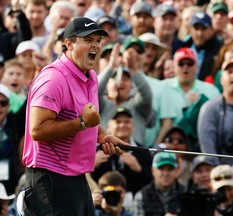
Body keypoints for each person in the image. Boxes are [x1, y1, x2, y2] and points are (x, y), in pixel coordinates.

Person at [22, 17, 128, 216]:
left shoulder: (91, 76)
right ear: (69, 44)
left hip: (77, 178)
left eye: (98, 40)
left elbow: (86, 119)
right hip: (50, 179)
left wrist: (102, 136)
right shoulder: (53, 78)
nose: (95, 45)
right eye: (88, 40)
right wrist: (81, 123)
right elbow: (37, 130)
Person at [91, 107, 153, 195]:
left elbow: (151, 182)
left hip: (135, 202)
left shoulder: (143, 151)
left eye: (126, 122)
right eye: (118, 122)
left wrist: (139, 169)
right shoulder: (97, 150)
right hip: (102, 201)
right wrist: (92, 165)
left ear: (133, 126)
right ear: (108, 126)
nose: (122, 125)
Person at [183, 12, 223, 81]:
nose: (200, 33)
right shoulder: (183, 47)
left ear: (211, 30)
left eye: (204, 28)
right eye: (196, 28)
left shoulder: (219, 50)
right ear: (190, 30)